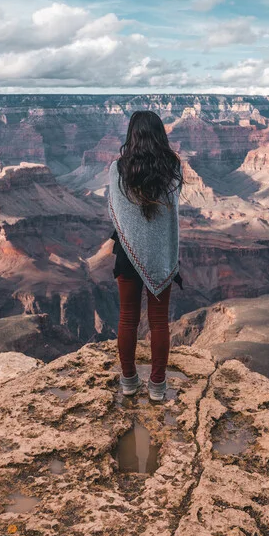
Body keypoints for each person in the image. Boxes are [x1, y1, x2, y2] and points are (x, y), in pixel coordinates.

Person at [108, 110, 183, 402]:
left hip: (126, 255)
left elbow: (116, 213)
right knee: (159, 321)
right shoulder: (171, 168)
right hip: (161, 254)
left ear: (132, 135)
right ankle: (157, 386)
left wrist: (132, 238)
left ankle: (128, 381)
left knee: (127, 318)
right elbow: (171, 215)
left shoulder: (117, 169)